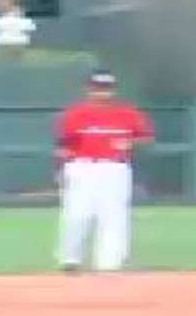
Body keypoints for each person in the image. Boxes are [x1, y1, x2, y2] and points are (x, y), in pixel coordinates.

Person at [55, 70, 154, 273]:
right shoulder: (75, 114)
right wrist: (60, 169)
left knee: (114, 216)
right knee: (77, 214)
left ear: (113, 90)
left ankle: (110, 263)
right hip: (82, 167)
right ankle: (71, 259)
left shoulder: (128, 113)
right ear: (89, 89)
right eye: (98, 88)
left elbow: (147, 138)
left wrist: (131, 142)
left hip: (115, 168)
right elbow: (63, 145)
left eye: (106, 88)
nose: (102, 92)